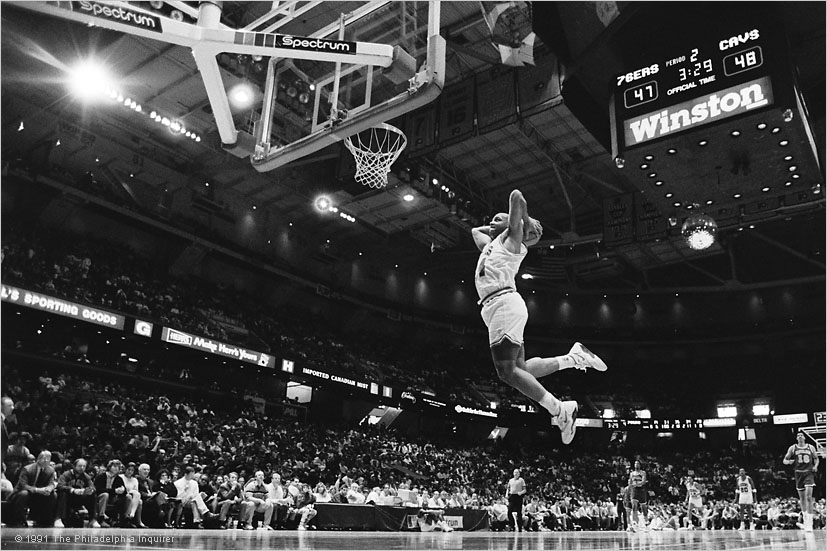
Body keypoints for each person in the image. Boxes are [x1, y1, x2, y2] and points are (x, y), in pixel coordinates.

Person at [471, 189, 607, 444]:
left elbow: (516, 196)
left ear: (514, 224)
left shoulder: (511, 240)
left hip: (503, 303)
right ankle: (573, 357)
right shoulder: (490, 245)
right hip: (495, 308)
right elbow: (474, 232)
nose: (491, 222)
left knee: (506, 372)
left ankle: (559, 409)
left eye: (498, 219)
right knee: (521, 369)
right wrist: (494, 227)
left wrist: (525, 219)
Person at [9, 450, 58, 527]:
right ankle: (20, 520)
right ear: (38, 459)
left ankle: (45, 520)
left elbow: (51, 483)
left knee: (53, 494)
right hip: (24, 493)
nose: (46, 460)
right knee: (24, 494)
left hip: (40, 495)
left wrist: (48, 489)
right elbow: (23, 485)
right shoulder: (27, 469)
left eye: (48, 458)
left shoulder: (51, 470)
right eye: (44, 458)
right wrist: (38, 490)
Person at [783, 430, 819, 531]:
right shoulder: (793, 448)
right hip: (798, 473)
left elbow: (816, 458)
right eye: (798, 435)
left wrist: (815, 466)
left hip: (808, 473)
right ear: (796, 438)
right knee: (802, 499)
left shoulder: (810, 447)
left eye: (801, 435)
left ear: (804, 437)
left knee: (808, 497)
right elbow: (785, 460)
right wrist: (788, 462)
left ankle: (810, 522)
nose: (799, 437)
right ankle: (805, 518)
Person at [55, 458, 99, 528]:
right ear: (74, 466)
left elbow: (93, 487)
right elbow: (59, 486)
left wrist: (89, 490)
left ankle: (93, 520)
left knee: (93, 495)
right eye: (79, 466)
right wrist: (73, 490)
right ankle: (58, 518)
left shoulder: (86, 476)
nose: (82, 468)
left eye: (84, 466)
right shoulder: (66, 474)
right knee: (62, 494)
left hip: (79, 498)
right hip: (68, 498)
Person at [628, 460, 648, 530]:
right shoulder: (632, 473)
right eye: (635, 463)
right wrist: (630, 487)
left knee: (643, 507)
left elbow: (643, 481)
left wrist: (636, 484)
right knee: (634, 506)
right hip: (634, 490)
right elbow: (630, 482)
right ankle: (634, 523)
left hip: (641, 490)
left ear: (640, 465)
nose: (636, 465)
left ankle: (646, 523)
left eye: (637, 464)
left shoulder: (643, 473)